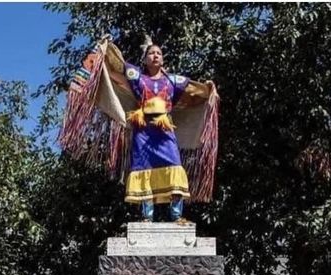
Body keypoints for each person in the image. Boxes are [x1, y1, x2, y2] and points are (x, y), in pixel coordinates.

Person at [60, 37, 219, 222]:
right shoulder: (136, 76)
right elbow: (116, 64)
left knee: (175, 167)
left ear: (163, 59)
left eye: (159, 53)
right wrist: (106, 47)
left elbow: (195, 90)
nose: (155, 56)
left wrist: (209, 88)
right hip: (143, 131)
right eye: (151, 53)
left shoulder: (174, 81)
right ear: (145, 59)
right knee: (144, 169)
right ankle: (147, 217)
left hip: (164, 131)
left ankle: (177, 216)